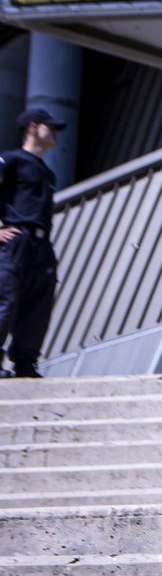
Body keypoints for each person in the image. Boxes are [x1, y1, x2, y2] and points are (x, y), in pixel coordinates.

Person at [0, 107, 66, 379]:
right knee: (6, 299)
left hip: (41, 245)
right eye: (49, 127)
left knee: (38, 305)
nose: (54, 133)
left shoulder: (46, 173)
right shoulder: (11, 159)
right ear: (32, 127)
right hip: (16, 241)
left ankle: (26, 363)